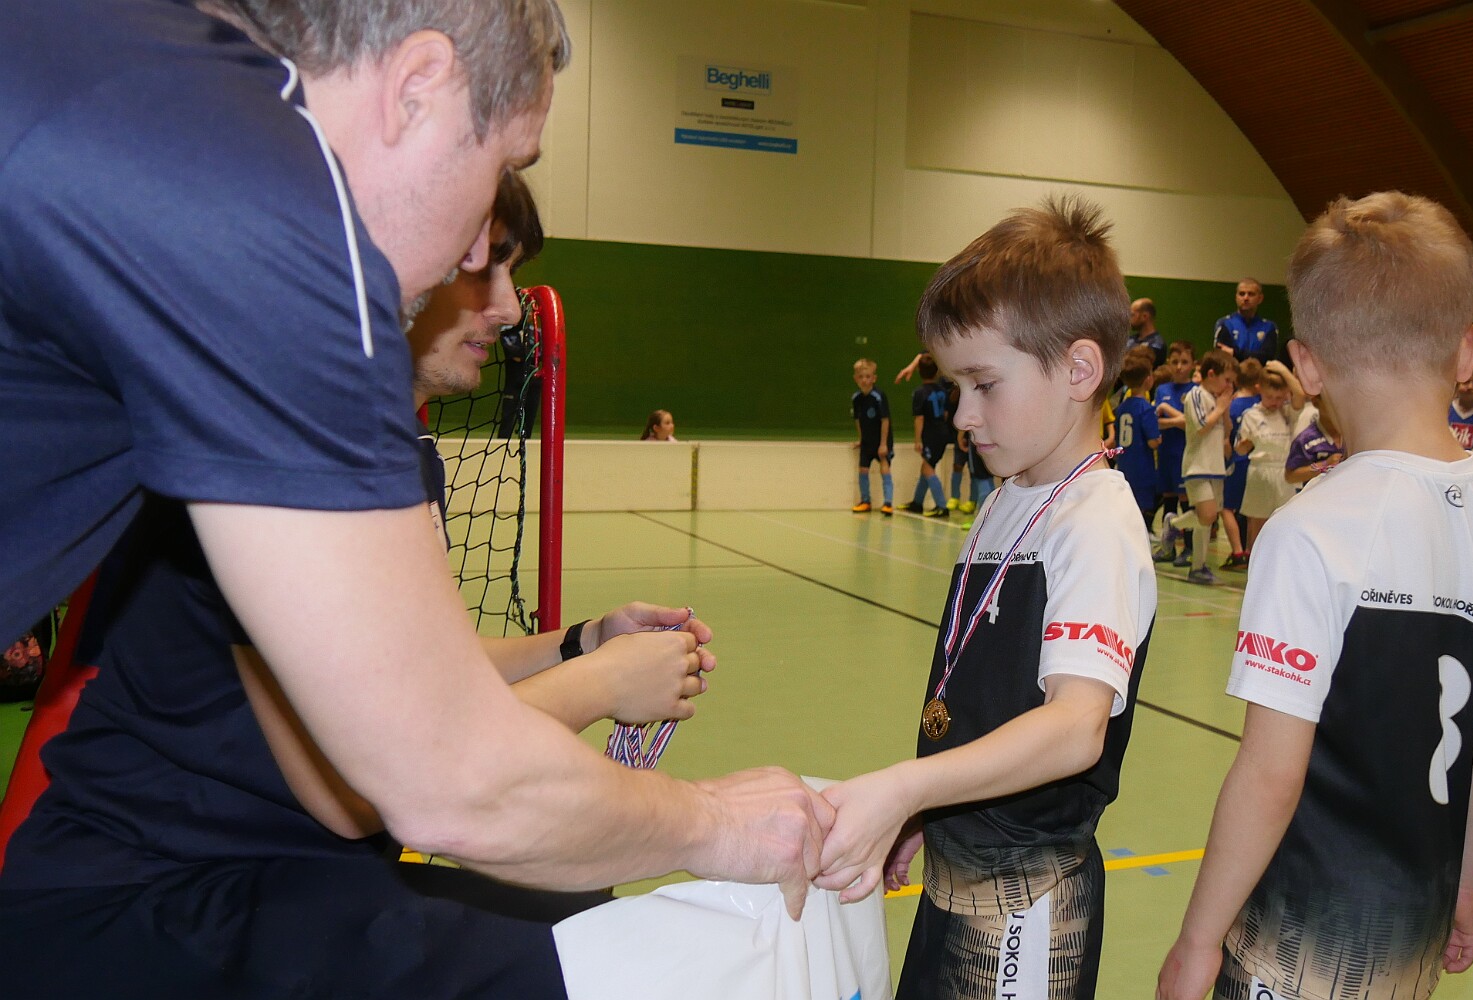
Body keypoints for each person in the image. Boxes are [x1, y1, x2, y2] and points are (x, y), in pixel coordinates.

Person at [0, 3, 831, 995]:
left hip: (247, 870)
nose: (482, 258)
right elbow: (429, 777)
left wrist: (576, 646)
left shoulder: (156, 103)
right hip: (148, 895)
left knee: (564, 908)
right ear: (419, 86)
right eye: (503, 167)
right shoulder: (258, 217)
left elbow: (411, 684)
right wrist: (714, 820)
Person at [244, 170, 713, 906]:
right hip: (214, 883)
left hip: (306, 869)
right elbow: (357, 794)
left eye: (510, 274)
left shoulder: (402, 452)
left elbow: (437, 666)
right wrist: (603, 684)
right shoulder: (284, 451)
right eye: (479, 269)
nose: (508, 309)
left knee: (583, 906)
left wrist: (585, 642)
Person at [1158, 191, 1473, 1000]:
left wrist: (1197, 940)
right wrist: (1467, 881)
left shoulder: (1311, 530)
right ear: (1469, 349)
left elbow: (1271, 771)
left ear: (1307, 365)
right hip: (1413, 934)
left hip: (1298, 943)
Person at [813, 196, 1156, 1000]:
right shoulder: (1009, 498)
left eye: (984, 384)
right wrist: (932, 812)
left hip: (1027, 899)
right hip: (957, 869)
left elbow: (1074, 730)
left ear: (1079, 371)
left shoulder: (1094, 522)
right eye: (954, 385)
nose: (964, 414)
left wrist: (909, 787)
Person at [1159, 349, 1236, 583]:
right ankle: (1174, 524)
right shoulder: (1195, 394)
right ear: (1211, 374)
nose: (1229, 385)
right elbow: (1201, 427)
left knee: (1207, 520)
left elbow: (1227, 430)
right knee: (1207, 514)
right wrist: (1220, 408)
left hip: (1216, 466)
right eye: (1226, 380)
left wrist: (1225, 410)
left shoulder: (1216, 398)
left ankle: (1198, 567)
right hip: (1198, 465)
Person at [1233, 363, 1306, 549]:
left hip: (1283, 472)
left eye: (1279, 397)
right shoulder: (1251, 415)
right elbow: (1240, 449)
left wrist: (1281, 369)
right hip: (1260, 471)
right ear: (1259, 390)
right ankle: (1253, 560)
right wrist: (1244, 445)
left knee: (1285, 522)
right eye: (1269, 397)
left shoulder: (1287, 412)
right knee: (1257, 524)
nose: (1274, 402)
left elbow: (1300, 394)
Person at [1220, 359, 1264, 569]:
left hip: (1238, 460)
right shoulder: (1262, 403)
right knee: (1253, 510)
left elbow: (1226, 439)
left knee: (1226, 507)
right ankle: (1250, 551)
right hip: (1259, 461)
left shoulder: (1233, 405)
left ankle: (1238, 551)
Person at [1113, 358, 1164, 531]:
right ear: (1148, 380)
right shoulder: (1146, 408)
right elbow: (1153, 442)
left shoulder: (1122, 408)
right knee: (1141, 508)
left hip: (1124, 464)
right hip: (1142, 466)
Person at [1152, 361, 1193, 562]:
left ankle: (1189, 548)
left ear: (1192, 364)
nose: (1179, 366)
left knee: (1186, 501)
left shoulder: (1195, 390)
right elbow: (1156, 422)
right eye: (1175, 361)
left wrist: (1170, 414)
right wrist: (1179, 421)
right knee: (1169, 499)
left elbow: (1192, 425)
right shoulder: (1162, 389)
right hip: (1166, 453)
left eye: (1184, 362)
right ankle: (1168, 548)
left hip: (1185, 454)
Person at [905, 355, 954, 518]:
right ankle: (917, 503)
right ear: (937, 372)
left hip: (931, 435)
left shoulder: (919, 392)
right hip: (943, 432)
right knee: (926, 466)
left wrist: (918, 439)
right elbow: (946, 413)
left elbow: (919, 418)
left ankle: (942, 506)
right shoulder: (942, 391)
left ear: (919, 370)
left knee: (928, 468)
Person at [851, 358, 894, 515]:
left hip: (881, 441)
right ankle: (865, 501)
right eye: (861, 377)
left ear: (874, 378)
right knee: (863, 469)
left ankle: (888, 503)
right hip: (867, 442)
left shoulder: (878, 396)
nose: (864, 380)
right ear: (856, 379)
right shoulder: (856, 398)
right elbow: (858, 420)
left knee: (884, 467)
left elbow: (885, 420)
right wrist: (861, 439)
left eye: (868, 376)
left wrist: (883, 444)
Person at [1212, 278, 1279, 363]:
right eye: (1242, 294)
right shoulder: (1224, 324)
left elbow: (1267, 357)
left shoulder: (1269, 327)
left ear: (1260, 298)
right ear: (1236, 297)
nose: (1246, 298)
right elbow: (1223, 357)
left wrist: (1235, 353)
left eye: (1251, 294)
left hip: (1259, 372)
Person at [1282, 396, 1344, 487]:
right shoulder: (1305, 439)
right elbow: (1290, 476)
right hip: (1318, 493)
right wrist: (1325, 465)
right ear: (1316, 402)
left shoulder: (1352, 434)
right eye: (1330, 402)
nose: (1336, 407)